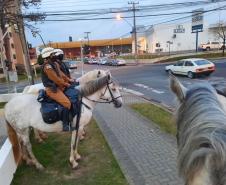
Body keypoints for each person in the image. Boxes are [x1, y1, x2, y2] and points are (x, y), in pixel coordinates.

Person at [41, 47, 74, 131]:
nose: (55, 55)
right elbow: (55, 79)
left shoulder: (54, 64)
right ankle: (65, 125)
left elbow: (61, 74)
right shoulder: (47, 67)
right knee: (67, 103)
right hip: (52, 89)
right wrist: (66, 84)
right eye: (53, 54)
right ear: (48, 55)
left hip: (59, 87)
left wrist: (69, 80)